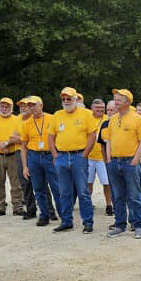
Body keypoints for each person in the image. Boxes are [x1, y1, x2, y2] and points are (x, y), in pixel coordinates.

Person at [49, 87, 98, 233]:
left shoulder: (86, 114)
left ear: (76, 99)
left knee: (83, 191)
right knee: (64, 192)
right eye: (63, 99)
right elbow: (51, 136)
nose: (66, 101)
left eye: (69, 99)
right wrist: (55, 155)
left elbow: (92, 135)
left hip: (78, 156)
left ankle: (87, 222)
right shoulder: (57, 115)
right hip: (62, 156)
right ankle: (66, 221)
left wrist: (85, 153)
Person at [104, 89, 141, 239]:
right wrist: (109, 159)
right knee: (117, 195)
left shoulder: (137, 118)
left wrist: (135, 160)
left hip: (130, 161)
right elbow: (108, 140)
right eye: (115, 99)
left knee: (134, 195)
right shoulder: (113, 119)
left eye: (119, 100)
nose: (115, 102)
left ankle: (138, 225)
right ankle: (120, 225)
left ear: (128, 102)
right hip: (114, 162)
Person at [21, 96, 60, 226]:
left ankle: (64, 215)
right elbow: (23, 146)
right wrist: (25, 166)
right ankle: (44, 215)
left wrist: (56, 156)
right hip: (34, 156)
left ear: (41, 105)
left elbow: (59, 138)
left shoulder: (52, 118)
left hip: (49, 155)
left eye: (34, 105)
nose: (32, 108)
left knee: (56, 187)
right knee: (38, 188)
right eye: (29, 106)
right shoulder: (26, 123)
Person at [0, 98, 24, 217]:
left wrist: (7, 144)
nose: (4, 108)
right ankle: (0, 207)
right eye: (2, 106)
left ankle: (17, 207)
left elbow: (20, 136)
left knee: (16, 182)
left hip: (13, 154)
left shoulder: (17, 119)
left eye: (7, 106)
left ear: (12, 108)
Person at [87, 98, 113, 215]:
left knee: (106, 183)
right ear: (92, 108)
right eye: (97, 108)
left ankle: (109, 205)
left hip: (103, 157)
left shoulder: (108, 119)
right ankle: (87, 203)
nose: (100, 110)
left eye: (102, 108)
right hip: (89, 156)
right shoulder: (87, 119)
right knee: (88, 182)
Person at [16, 98, 38, 218]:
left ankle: (49, 210)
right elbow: (12, 136)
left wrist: (19, 139)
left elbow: (20, 138)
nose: (23, 108)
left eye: (26, 106)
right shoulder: (16, 120)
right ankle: (31, 209)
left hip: (35, 153)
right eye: (21, 106)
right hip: (21, 152)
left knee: (41, 183)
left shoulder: (35, 119)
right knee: (25, 183)